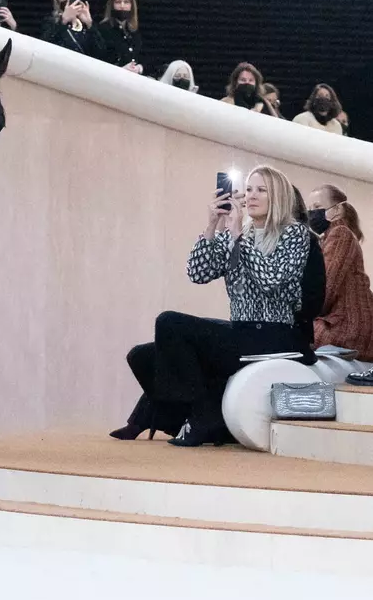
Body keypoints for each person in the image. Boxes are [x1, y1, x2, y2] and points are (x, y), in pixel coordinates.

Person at [110, 166, 310, 447]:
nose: (251, 196)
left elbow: (271, 280)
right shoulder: (239, 233)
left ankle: (202, 414)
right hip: (241, 330)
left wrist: (239, 236)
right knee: (142, 355)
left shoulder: (294, 234)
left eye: (261, 190)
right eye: (249, 188)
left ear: (277, 196)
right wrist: (212, 227)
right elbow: (198, 272)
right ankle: (189, 417)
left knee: (170, 322)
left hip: (274, 334)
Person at [307, 185, 373, 360]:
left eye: (317, 207)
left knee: (288, 334)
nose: (311, 214)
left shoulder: (340, 233)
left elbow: (326, 288)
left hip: (347, 326)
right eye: (310, 209)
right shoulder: (333, 236)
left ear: (336, 209)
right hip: (350, 324)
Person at [39, 0, 105, 57]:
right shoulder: (51, 21)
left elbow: (101, 52)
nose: (68, 0)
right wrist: (63, 21)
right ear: (57, 1)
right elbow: (45, 45)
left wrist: (90, 24)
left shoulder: (84, 24)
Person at [98, 0, 143, 73]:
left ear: (131, 6)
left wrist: (139, 68)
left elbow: (144, 57)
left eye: (126, 2)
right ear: (112, 6)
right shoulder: (103, 29)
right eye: (118, 2)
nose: (122, 6)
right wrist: (121, 69)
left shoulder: (134, 30)